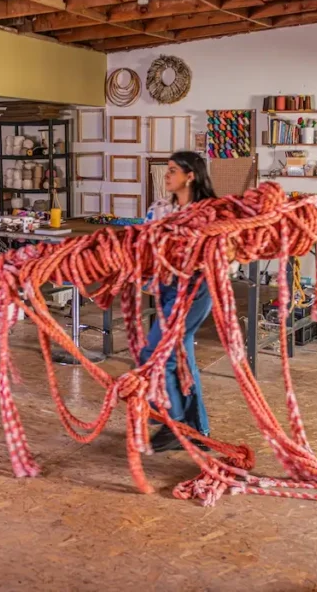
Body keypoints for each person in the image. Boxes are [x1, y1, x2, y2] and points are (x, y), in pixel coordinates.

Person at [140, 151, 217, 452]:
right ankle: (197, 429)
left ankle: (173, 422)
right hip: (167, 289)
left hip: (196, 289)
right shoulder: (159, 208)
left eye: (173, 170)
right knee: (181, 358)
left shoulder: (210, 213)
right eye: (167, 170)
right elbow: (141, 243)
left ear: (191, 175)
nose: (167, 175)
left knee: (157, 353)